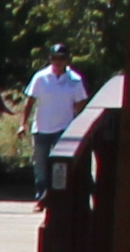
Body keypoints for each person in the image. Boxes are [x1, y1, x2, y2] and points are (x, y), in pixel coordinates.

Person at [25, 43, 91, 195]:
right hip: (41, 127)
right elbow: (30, 101)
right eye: (54, 58)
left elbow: (80, 103)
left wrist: (78, 124)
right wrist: (23, 123)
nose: (57, 62)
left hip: (64, 128)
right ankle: (41, 194)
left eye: (61, 58)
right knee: (40, 164)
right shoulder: (40, 77)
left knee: (61, 164)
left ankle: (59, 195)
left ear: (67, 60)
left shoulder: (75, 80)